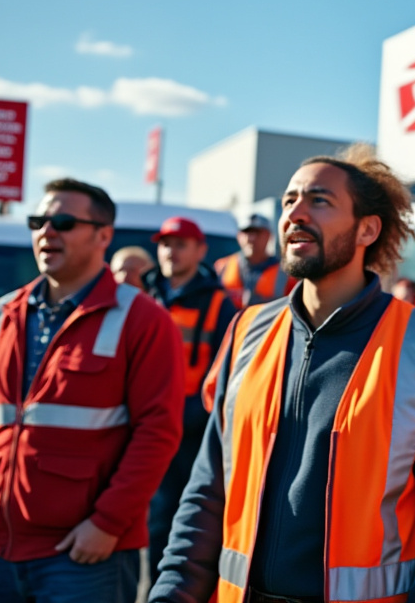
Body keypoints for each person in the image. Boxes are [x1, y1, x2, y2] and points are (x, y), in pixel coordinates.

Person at [150, 144, 415, 603]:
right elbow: (207, 491)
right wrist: (171, 592)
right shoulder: (247, 332)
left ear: (367, 229)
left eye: (319, 200)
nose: (295, 212)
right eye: (289, 199)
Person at [0, 178, 184, 603]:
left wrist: (107, 524)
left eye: (63, 221)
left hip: (85, 557)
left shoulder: (142, 319)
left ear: (103, 235)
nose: (47, 231)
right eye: (38, 220)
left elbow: (157, 433)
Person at [141, 217, 237, 584]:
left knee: (178, 523)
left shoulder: (219, 304)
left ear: (200, 251)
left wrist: (189, 417)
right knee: (144, 524)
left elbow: (225, 376)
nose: (170, 251)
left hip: (188, 434)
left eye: (181, 244)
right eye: (165, 243)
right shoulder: (145, 296)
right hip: (141, 426)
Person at [215, 213, 295, 308]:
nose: (251, 238)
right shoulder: (222, 266)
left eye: (257, 233)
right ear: (238, 236)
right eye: (246, 233)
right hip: (231, 322)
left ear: (269, 236)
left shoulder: (286, 273)